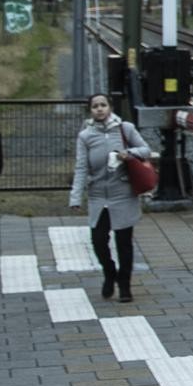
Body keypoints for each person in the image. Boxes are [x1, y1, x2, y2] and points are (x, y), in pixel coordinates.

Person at [70, 92, 153, 301]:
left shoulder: (125, 129)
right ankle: (109, 271)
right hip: (98, 196)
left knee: (124, 242)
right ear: (90, 110)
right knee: (98, 240)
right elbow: (81, 167)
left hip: (122, 194)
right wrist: (75, 197)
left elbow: (146, 150)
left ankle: (124, 285)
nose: (99, 109)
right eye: (95, 106)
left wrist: (129, 153)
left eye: (103, 105)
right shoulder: (85, 136)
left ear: (110, 107)